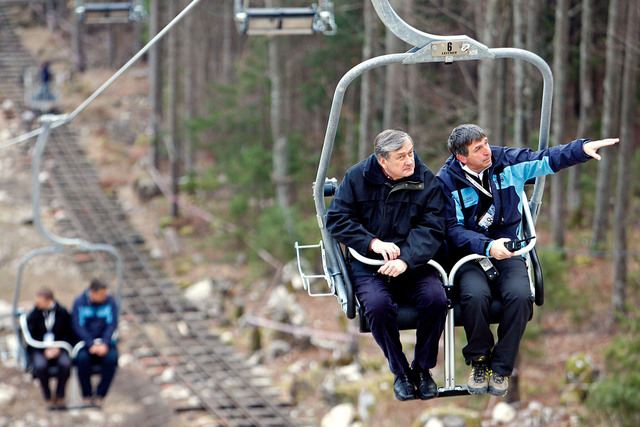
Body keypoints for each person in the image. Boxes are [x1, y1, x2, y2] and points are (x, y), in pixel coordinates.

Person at [436, 123, 618, 397]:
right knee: (475, 297)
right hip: (470, 255)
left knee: (521, 296)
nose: (487, 151)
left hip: (509, 249)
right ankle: (480, 361)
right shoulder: (446, 182)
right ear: (462, 157)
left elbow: (544, 159)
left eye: (486, 143)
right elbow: (453, 230)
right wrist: (487, 246)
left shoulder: (506, 162)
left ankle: (501, 368)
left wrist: (580, 149)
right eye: (478, 149)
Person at [326, 129, 448, 401]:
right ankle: (401, 371)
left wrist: (406, 258)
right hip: (370, 264)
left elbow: (433, 226)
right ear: (383, 161)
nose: (410, 161)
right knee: (378, 306)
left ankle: (422, 369)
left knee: (436, 299)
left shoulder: (424, 179)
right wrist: (372, 243)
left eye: (410, 153)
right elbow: (337, 220)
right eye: (401, 157)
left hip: (414, 262)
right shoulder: (357, 178)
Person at [71, 278, 119, 407]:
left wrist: (105, 342)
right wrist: (90, 343)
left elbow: (112, 324)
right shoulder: (79, 302)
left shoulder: (109, 302)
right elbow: (77, 326)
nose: (104, 297)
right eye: (101, 294)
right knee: (82, 360)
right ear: (92, 292)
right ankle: (87, 395)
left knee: (111, 360)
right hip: (85, 343)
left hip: (105, 342)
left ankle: (100, 395)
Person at [26, 287, 74, 410]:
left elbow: (68, 332)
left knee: (66, 364)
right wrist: (44, 349)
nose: (37, 303)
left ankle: (60, 394)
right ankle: (47, 396)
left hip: (59, 347)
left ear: (49, 300)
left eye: (40, 301)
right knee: (40, 366)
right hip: (40, 348)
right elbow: (31, 334)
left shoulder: (62, 312)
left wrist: (58, 347)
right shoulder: (34, 315)